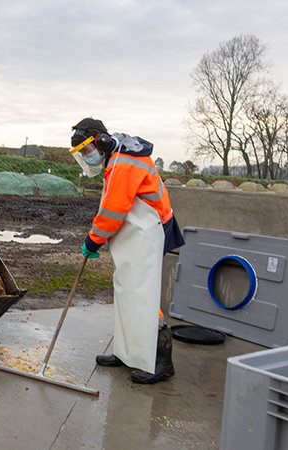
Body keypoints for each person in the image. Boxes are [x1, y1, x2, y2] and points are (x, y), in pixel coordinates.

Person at [70, 117, 184, 384]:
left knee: (142, 292)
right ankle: (127, 353)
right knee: (125, 289)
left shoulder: (123, 163)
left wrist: (92, 240)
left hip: (152, 228)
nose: (87, 158)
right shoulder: (118, 155)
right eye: (82, 154)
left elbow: (112, 211)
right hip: (141, 227)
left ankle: (161, 361)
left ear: (101, 142)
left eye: (87, 151)